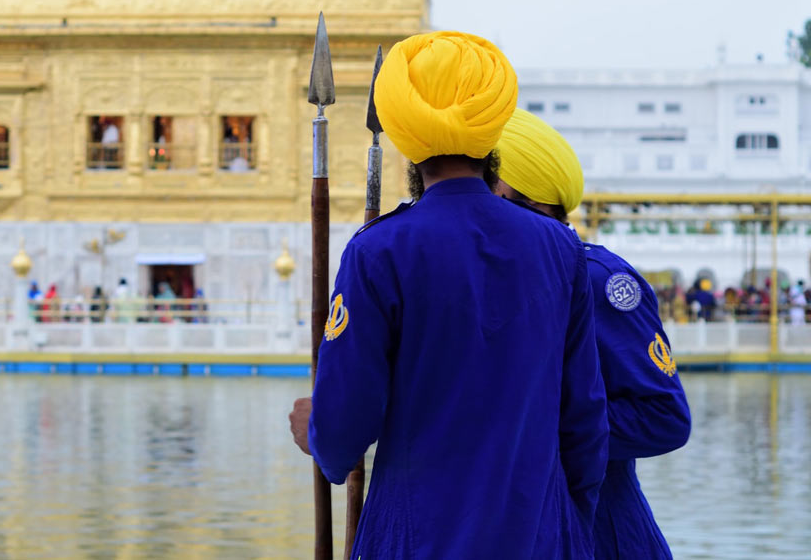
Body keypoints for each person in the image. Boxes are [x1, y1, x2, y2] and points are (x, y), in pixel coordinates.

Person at [287, 31, 607, 558]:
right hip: (541, 535)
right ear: (493, 128)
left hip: (417, 538)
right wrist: (567, 528)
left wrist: (317, 434)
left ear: (405, 137)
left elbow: (346, 431)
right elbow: (585, 420)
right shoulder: (559, 247)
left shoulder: (380, 250)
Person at [494, 107, 692, 560]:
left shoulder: (597, 279)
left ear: (502, 194)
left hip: (601, 533)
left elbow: (664, 417)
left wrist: (536, 426)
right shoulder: (485, 275)